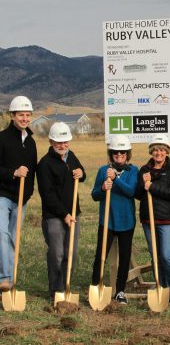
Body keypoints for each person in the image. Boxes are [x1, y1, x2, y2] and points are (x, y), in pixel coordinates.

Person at [37, 122, 86, 299]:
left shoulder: (70, 156)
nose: (62, 145)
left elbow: (82, 174)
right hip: (54, 216)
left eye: (65, 142)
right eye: (59, 142)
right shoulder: (44, 164)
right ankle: (55, 290)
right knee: (57, 254)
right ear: (51, 141)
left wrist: (81, 173)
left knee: (71, 253)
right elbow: (47, 195)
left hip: (74, 213)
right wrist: (64, 214)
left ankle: (66, 287)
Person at [135, 134, 170, 306]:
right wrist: (143, 184)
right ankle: (162, 288)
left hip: (167, 220)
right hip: (149, 219)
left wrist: (153, 186)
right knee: (155, 256)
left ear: (167, 151)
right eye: (155, 150)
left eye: (162, 149)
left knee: (166, 255)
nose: (158, 153)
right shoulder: (144, 170)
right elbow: (138, 194)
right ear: (151, 151)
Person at [91, 135, 138, 304]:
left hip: (126, 221)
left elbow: (131, 191)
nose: (119, 155)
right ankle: (96, 285)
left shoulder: (133, 171)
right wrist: (103, 187)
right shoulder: (103, 170)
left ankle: (120, 291)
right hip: (107, 221)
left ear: (127, 154)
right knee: (100, 256)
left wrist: (116, 179)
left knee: (125, 257)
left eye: (123, 152)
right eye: (116, 152)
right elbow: (94, 195)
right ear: (111, 153)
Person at [0, 96, 37, 292]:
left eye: (27, 115)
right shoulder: (2, 138)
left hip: (22, 198)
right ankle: (4, 277)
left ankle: (9, 284)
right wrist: (12, 173)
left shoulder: (30, 142)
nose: (24, 118)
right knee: (1, 233)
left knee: (14, 238)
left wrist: (28, 194)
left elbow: (32, 172)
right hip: (3, 195)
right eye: (21, 114)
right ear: (12, 115)